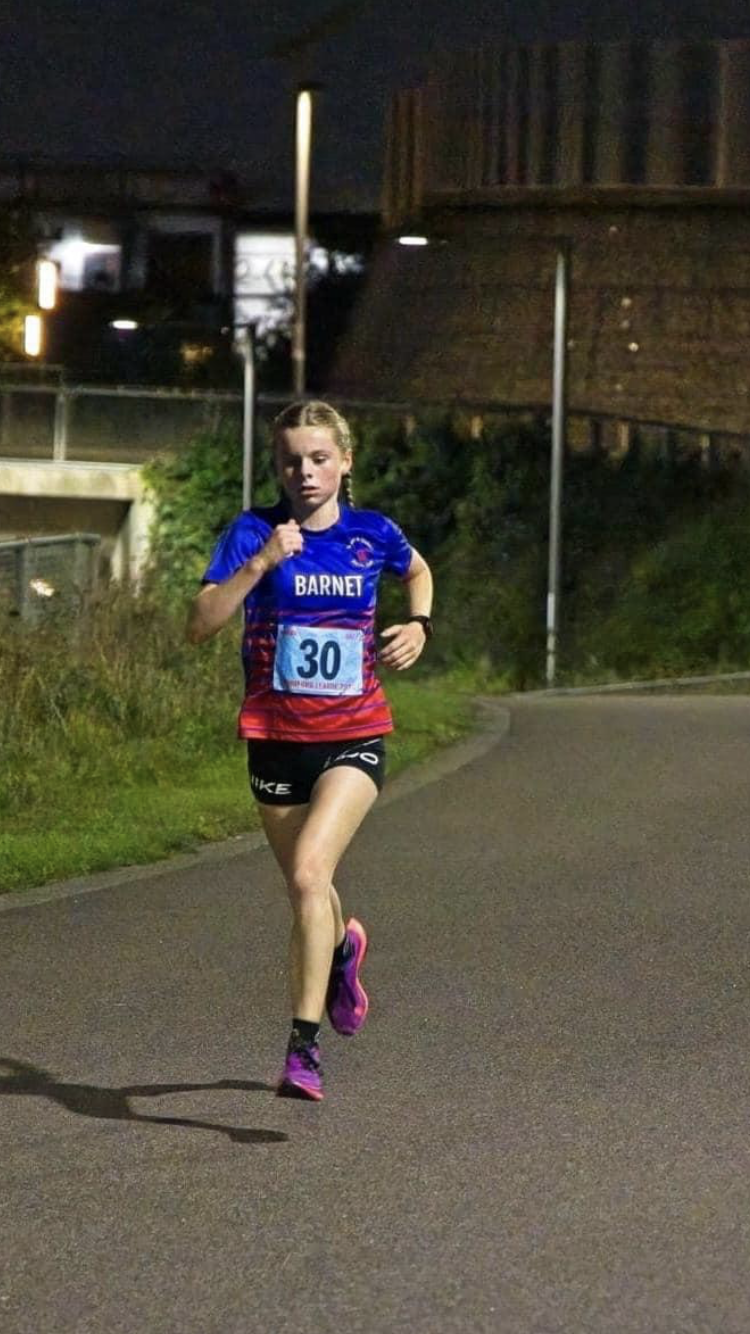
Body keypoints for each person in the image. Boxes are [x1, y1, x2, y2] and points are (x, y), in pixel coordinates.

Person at [187, 400, 433, 1101]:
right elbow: (199, 625)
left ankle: (303, 1052)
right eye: (292, 460)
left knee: (307, 876)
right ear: (278, 466)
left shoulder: (371, 534)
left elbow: (418, 570)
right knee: (310, 893)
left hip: (354, 734)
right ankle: (343, 951)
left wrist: (419, 624)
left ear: (345, 461)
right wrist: (261, 562)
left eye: (320, 457)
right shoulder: (252, 532)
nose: (306, 471)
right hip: (273, 738)